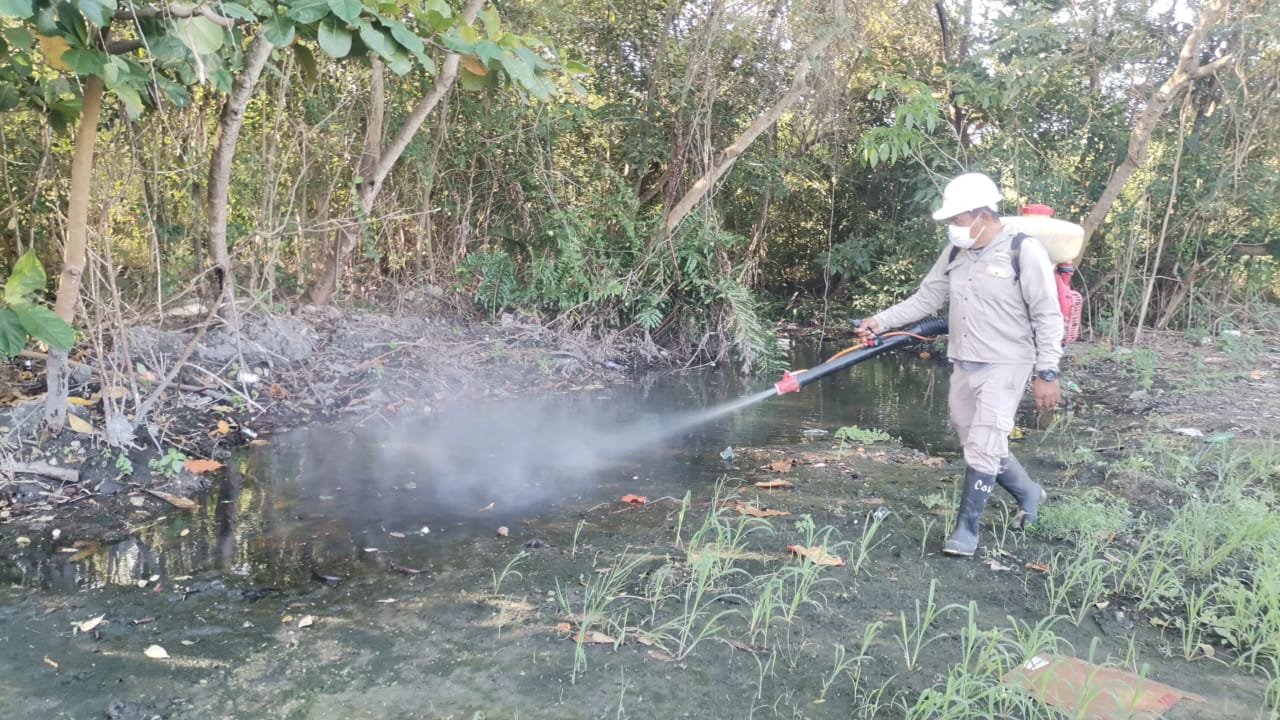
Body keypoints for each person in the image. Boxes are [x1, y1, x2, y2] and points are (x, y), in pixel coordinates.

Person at [856, 172, 1063, 557]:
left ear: (982, 214)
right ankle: (1029, 492)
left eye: (957, 219)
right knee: (975, 441)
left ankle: (966, 531)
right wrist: (881, 320)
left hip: (1007, 362)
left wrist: (1046, 371)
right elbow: (927, 298)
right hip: (964, 361)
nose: (952, 227)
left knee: (985, 442)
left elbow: (1048, 315)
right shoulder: (955, 253)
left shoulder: (1023, 250)